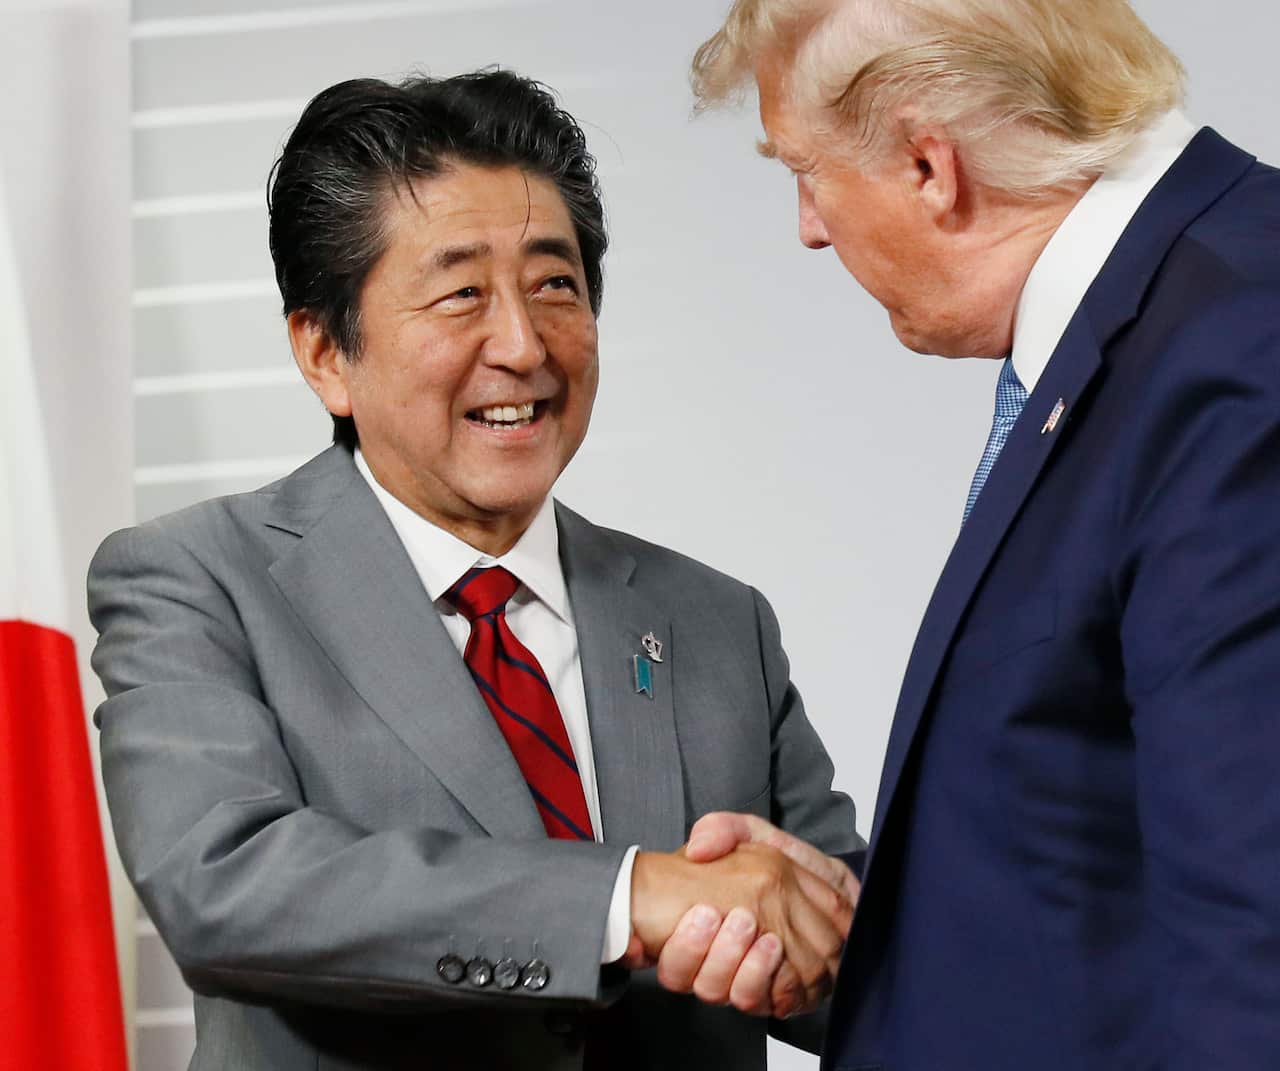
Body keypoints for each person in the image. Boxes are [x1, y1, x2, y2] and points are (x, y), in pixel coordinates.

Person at [87, 70, 863, 1070]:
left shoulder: (713, 619)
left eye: (554, 286)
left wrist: (802, 946)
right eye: (460, 295)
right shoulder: (194, 579)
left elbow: (842, 947)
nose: (521, 344)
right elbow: (228, 884)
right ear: (326, 353)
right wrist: (629, 900)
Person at [670, 1, 1280, 1067]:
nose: (807, 227)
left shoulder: (1233, 346)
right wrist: (881, 941)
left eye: (803, 171)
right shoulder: (1163, 320)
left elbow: (1255, 928)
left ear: (924, 162)